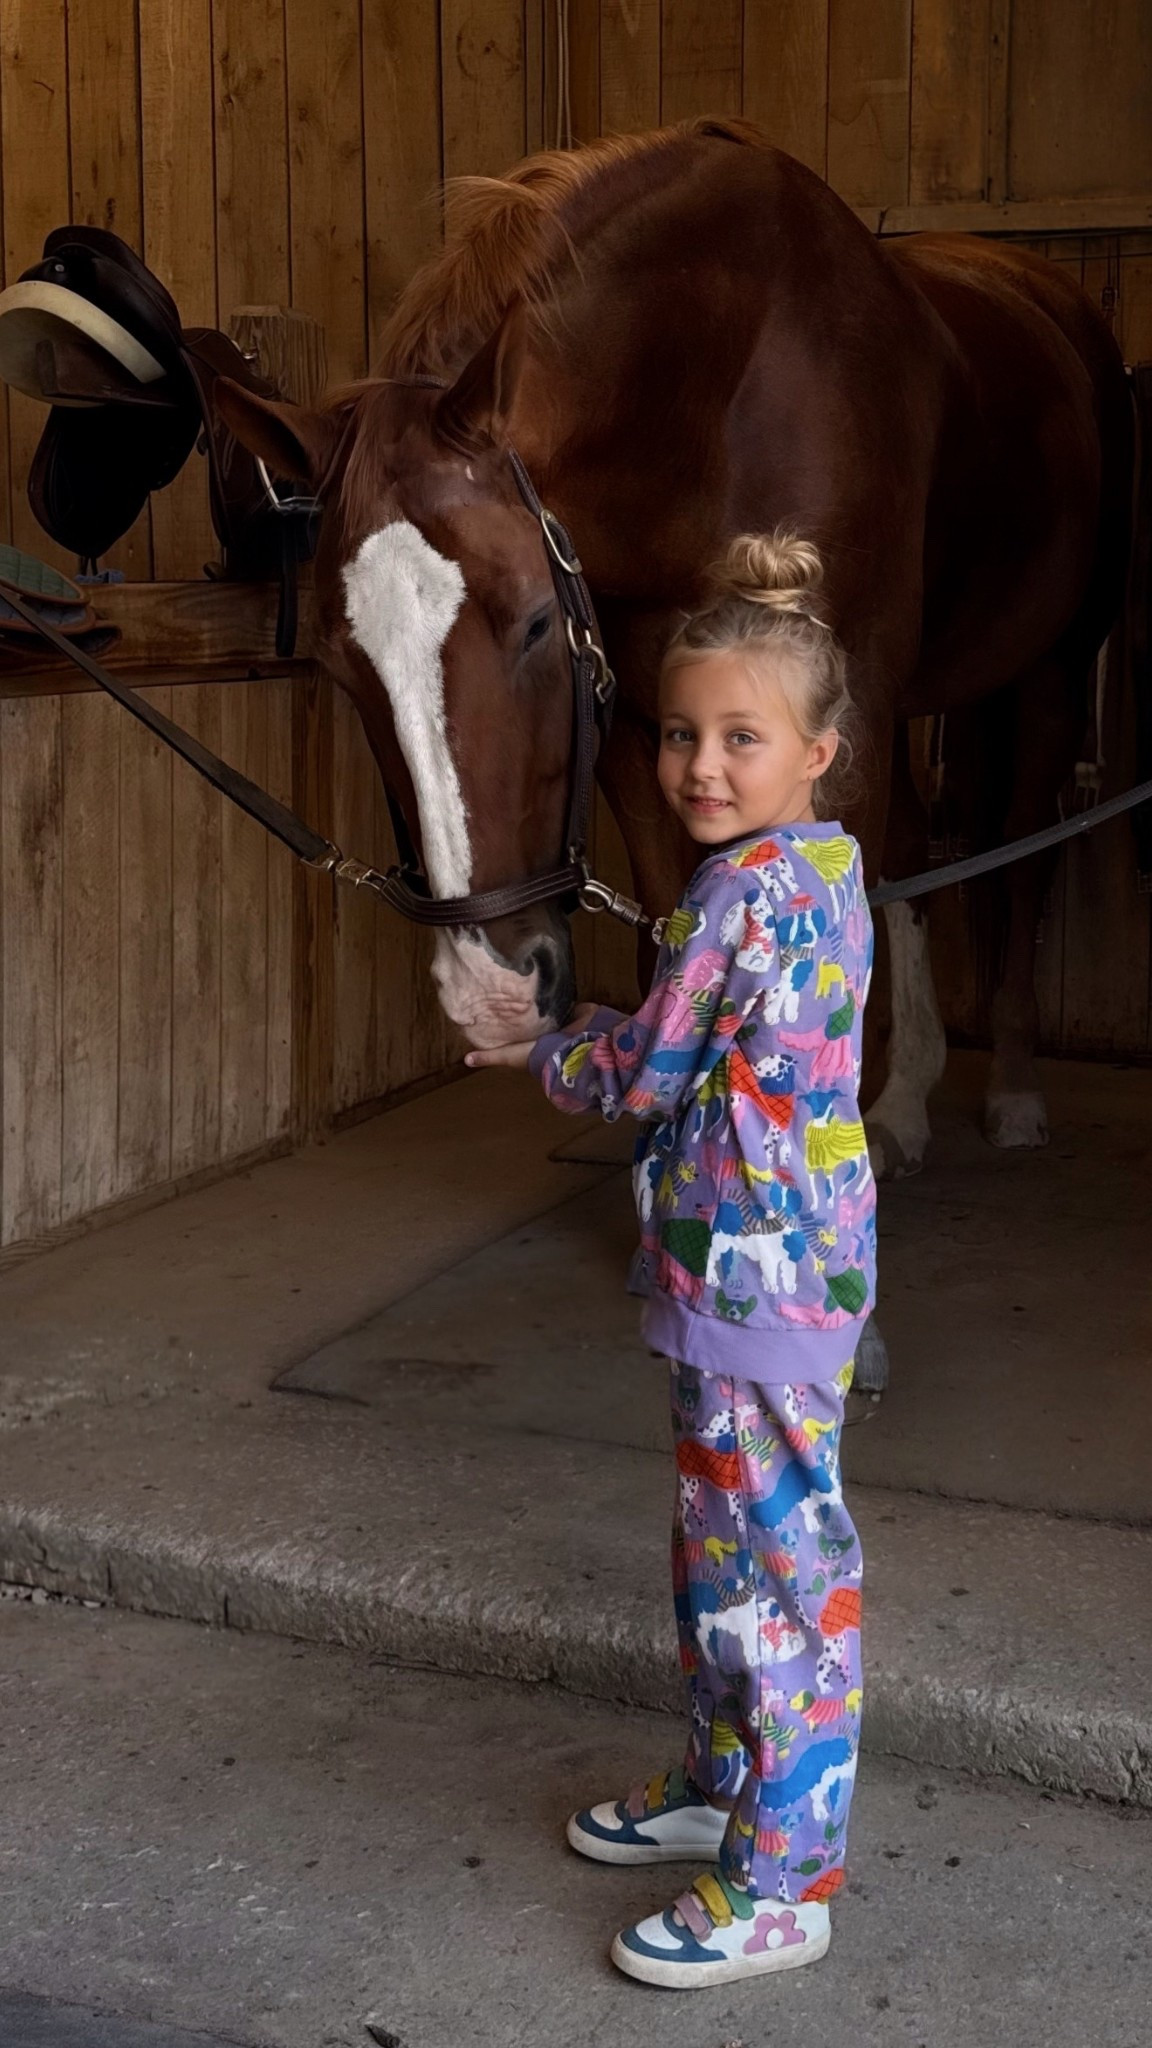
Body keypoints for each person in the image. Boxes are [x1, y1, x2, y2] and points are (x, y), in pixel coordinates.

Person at [465, 531, 875, 1990]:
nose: (703, 764)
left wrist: (537, 1044)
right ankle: (723, 1776)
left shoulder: (739, 896)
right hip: (766, 1264)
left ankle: (785, 1877)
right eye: (684, 733)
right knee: (725, 1551)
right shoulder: (821, 866)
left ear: (818, 751)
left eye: (742, 738)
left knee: (778, 1570)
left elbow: (642, 1073)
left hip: (757, 1273)